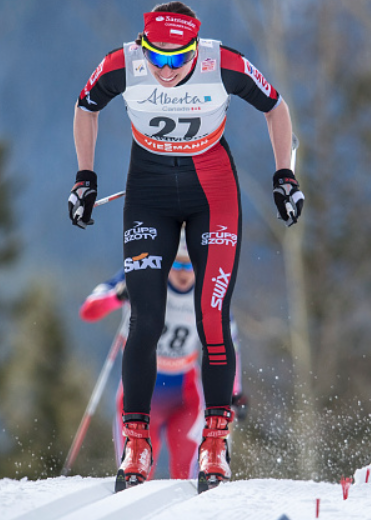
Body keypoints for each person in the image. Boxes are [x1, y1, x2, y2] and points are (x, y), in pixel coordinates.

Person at [67, 1, 303, 492]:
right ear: (142, 45)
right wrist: (85, 178)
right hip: (148, 196)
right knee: (146, 318)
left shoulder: (223, 64)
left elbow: (275, 105)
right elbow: (85, 105)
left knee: (211, 315)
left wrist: (285, 174)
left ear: (197, 48)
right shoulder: (123, 64)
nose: (166, 70)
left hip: (211, 197)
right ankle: (137, 440)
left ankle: (215, 440)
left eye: (179, 60)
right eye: (157, 57)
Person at [79, 233, 248, 480]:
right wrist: (117, 295)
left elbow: (229, 345)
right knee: (135, 478)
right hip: (139, 397)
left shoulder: (209, 291)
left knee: (188, 479)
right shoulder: (143, 275)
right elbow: (88, 311)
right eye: (176, 263)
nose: (182, 272)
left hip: (186, 398)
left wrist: (234, 393)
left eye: (189, 265)